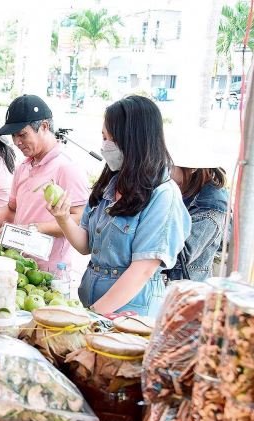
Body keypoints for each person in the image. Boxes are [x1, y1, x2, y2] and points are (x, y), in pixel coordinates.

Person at [47, 95, 191, 317]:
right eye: (103, 137)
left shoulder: (163, 195)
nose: (104, 146)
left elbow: (142, 270)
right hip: (93, 301)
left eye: (110, 139)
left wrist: (91, 316)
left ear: (134, 140)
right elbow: (86, 245)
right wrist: (63, 218)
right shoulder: (110, 182)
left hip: (130, 312)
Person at [0, 95, 90, 272]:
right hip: (17, 262)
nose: (17, 142)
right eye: (13, 136)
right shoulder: (23, 166)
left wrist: (32, 229)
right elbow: (12, 209)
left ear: (43, 127)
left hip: (48, 270)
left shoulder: (67, 167)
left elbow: (80, 218)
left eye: (22, 134)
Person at [164, 128, 230, 282]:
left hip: (183, 293)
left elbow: (180, 256)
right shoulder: (180, 190)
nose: (165, 171)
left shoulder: (211, 207)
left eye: (170, 166)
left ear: (192, 168)